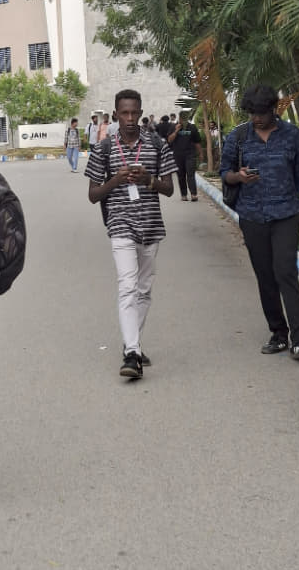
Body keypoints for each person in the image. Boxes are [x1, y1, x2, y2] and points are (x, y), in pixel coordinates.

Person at [221, 85, 299, 362]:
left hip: (287, 214)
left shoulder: (293, 136)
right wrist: (239, 177)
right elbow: (224, 173)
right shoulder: (238, 137)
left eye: (261, 113)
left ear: (274, 109)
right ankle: (278, 333)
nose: (256, 118)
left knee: (285, 270)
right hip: (252, 216)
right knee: (265, 275)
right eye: (252, 113)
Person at [86, 88, 176, 380]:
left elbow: (169, 188)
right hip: (120, 224)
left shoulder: (156, 143)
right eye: (123, 113)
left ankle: (131, 342)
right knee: (127, 285)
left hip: (150, 225)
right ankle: (133, 354)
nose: (129, 118)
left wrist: (148, 179)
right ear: (115, 114)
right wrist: (116, 179)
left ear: (140, 112)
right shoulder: (104, 148)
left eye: (134, 112)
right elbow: (93, 195)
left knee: (144, 288)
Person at [167, 112, 203, 202]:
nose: (183, 120)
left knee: (190, 174)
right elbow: (169, 140)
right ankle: (184, 195)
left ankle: (193, 194)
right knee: (181, 175)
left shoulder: (192, 127)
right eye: (182, 118)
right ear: (179, 118)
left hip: (190, 154)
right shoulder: (173, 127)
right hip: (178, 155)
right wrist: (176, 131)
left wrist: (201, 153)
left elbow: (197, 142)